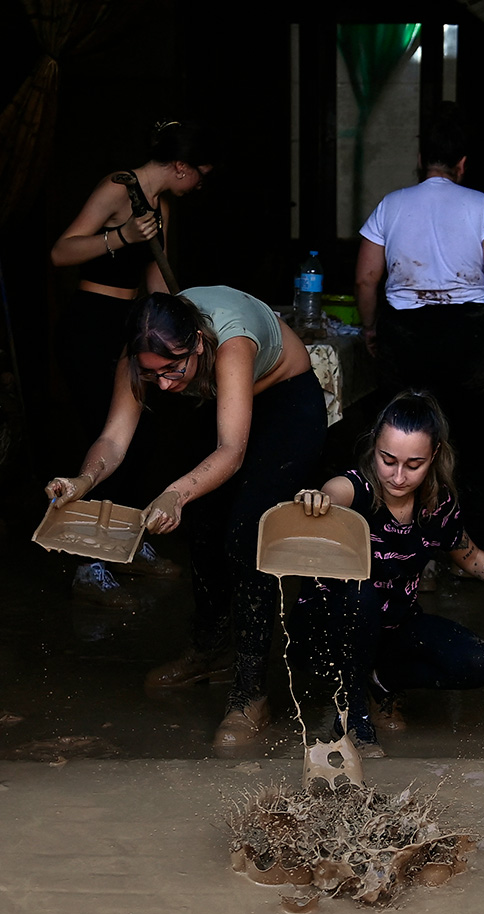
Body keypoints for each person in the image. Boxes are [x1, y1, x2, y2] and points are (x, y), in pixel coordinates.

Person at [45, 287, 327, 750]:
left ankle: (250, 693)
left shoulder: (231, 344)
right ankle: (208, 651)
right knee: (205, 528)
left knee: (246, 535)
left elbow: (231, 452)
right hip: (216, 402)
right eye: (150, 374)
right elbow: (113, 441)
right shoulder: (147, 354)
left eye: (172, 370)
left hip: (283, 403)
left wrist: (175, 493)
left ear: (197, 342)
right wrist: (81, 482)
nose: (164, 386)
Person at [288, 389, 484, 757]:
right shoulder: (355, 490)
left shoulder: (436, 506)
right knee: (361, 593)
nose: (397, 476)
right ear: (374, 446)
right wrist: (317, 498)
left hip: (391, 626)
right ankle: (353, 713)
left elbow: (471, 557)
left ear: (434, 456)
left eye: (414, 464)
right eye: (387, 460)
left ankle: (379, 683)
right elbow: (332, 493)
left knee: (477, 662)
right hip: (330, 628)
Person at [50, 120, 217, 607]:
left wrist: (182, 326)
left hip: (135, 325)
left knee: (141, 438)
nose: (201, 184)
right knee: (102, 439)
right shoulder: (116, 188)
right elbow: (60, 252)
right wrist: (119, 236)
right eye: (200, 174)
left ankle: (126, 542)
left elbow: (156, 278)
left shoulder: (161, 205)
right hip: (90, 324)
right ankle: (89, 564)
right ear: (180, 166)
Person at [355, 102, 484, 544]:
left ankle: (408, 547)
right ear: (462, 164)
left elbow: (366, 278)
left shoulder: (390, 206)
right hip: (470, 336)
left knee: (406, 447)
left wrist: (371, 328)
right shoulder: (482, 205)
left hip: (406, 339)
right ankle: (472, 550)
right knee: (477, 442)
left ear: (420, 160)